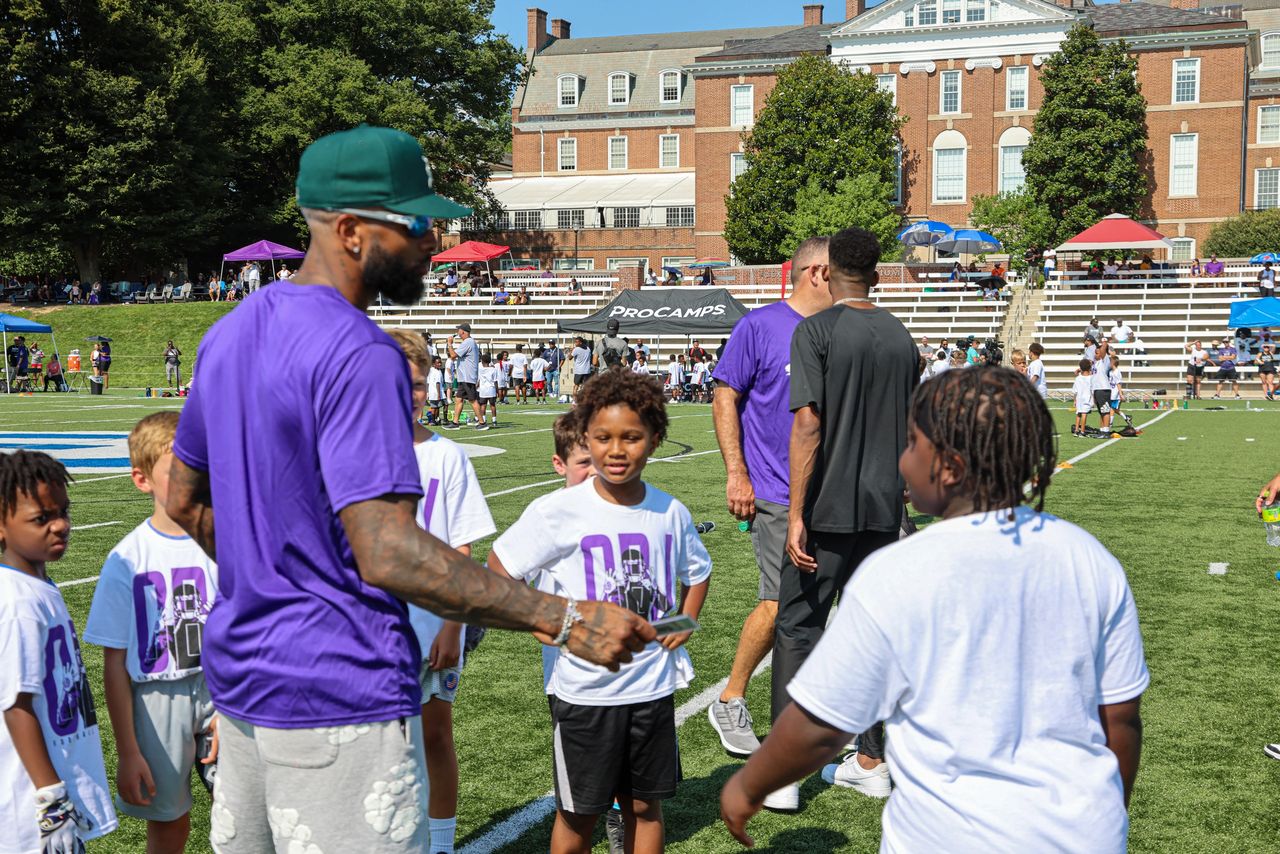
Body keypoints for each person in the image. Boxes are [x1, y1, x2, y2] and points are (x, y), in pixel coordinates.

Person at [165, 125, 651, 852]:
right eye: (417, 222)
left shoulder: (229, 334)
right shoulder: (360, 350)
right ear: (352, 230)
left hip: (242, 694)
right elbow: (388, 551)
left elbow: (182, 501)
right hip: (337, 695)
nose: (434, 237)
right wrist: (565, 618)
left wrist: (280, 569)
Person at [721, 367, 1148, 853]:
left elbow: (820, 725)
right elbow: (1121, 719)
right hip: (1083, 834)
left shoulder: (898, 571)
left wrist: (748, 784)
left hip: (946, 836)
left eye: (910, 444)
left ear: (945, 466)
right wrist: (1107, 813)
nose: (901, 460)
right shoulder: (1091, 559)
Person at [486, 369, 712, 854]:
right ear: (584, 437)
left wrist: (681, 624)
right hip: (585, 693)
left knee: (645, 808)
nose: (615, 450)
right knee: (579, 814)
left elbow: (697, 572)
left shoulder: (670, 511)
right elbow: (499, 568)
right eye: (602, 438)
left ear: (655, 441)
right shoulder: (557, 511)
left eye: (631, 437)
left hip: (652, 689)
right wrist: (545, 621)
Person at [773, 226, 917, 809]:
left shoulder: (816, 330)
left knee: (799, 628)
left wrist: (796, 514)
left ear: (825, 274)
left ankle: (784, 773)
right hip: (886, 514)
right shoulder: (903, 338)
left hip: (828, 510)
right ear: (877, 275)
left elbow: (808, 423)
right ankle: (871, 760)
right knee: (874, 637)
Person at [707, 236, 832, 759]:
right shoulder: (758, 325)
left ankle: (815, 712)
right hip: (776, 491)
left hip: (829, 492)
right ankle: (731, 698)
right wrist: (737, 473)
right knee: (781, 600)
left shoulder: (838, 331)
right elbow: (724, 395)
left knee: (823, 606)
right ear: (817, 273)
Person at [83, 412, 219, 854]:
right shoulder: (127, 558)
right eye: (179, 466)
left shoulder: (226, 543)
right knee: (170, 823)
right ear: (142, 480)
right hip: (157, 700)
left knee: (243, 815)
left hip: (224, 692)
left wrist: (235, 707)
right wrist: (127, 750)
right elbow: (115, 663)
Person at [386, 330, 496, 854]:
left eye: (421, 384)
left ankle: (441, 845)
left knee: (434, 736)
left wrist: (453, 626)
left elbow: (461, 551)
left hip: (432, 627)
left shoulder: (445, 457)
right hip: (365, 632)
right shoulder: (337, 451)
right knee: (375, 747)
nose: (413, 394)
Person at [0, 451, 118, 853]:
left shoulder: (39, 587)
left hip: (55, 788)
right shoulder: (17, 603)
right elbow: (16, 705)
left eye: (63, 511)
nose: (61, 525)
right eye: (42, 518)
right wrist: (51, 799)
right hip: (34, 810)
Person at [447, 322, 484, 430]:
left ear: (463, 331)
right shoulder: (469, 342)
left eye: (459, 330)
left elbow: (453, 356)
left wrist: (450, 344)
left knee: (472, 400)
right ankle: (455, 422)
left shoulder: (468, 342)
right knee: (458, 399)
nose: (458, 332)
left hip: (467, 376)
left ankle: (482, 422)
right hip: (464, 377)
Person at [477, 353, 500, 427]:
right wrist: (497, 391)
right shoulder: (493, 370)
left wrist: (476, 387)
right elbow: (495, 381)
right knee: (492, 405)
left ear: (482, 361)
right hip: (491, 389)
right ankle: (494, 420)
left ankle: (483, 420)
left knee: (483, 405)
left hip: (483, 389)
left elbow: (479, 380)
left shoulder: (480, 369)